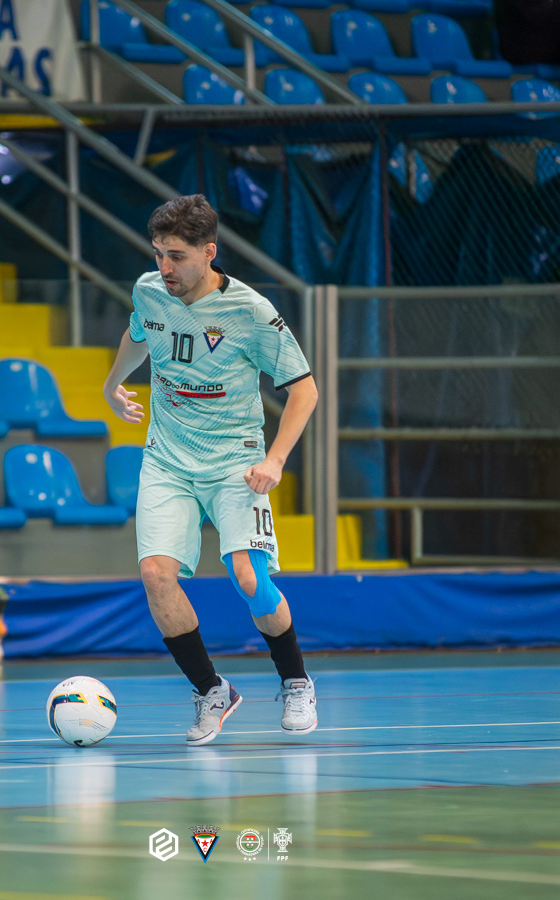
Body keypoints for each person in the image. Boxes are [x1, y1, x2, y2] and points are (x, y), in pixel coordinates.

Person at [102, 195, 319, 746]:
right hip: (167, 459)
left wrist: (275, 460)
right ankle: (211, 690)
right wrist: (112, 384)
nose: (164, 267)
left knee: (249, 579)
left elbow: (304, 390)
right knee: (156, 575)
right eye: (158, 253)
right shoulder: (150, 290)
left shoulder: (251, 312)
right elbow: (139, 334)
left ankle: (296, 681)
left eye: (176, 256)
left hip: (235, 463)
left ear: (209, 252)